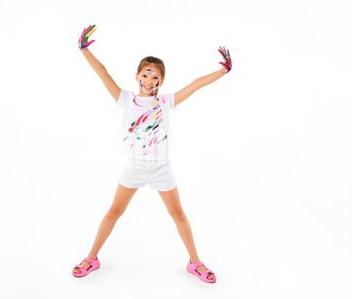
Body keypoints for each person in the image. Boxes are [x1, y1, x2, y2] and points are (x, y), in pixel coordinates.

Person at [72, 24, 232, 283]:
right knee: (114, 211)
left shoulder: (165, 102)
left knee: (178, 214)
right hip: (134, 167)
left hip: (161, 168)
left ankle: (195, 262)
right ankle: (91, 257)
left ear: (162, 81)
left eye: (155, 77)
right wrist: (84, 51)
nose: (149, 81)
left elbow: (194, 85)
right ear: (137, 75)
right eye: (146, 75)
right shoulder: (125, 99)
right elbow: (103, 73)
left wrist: (223, 71)